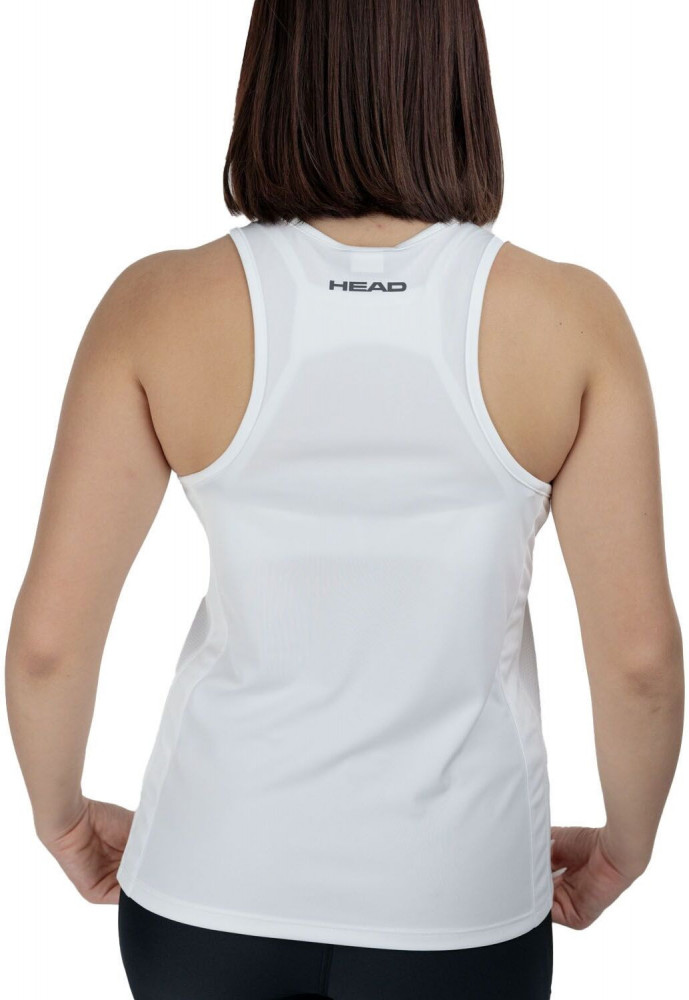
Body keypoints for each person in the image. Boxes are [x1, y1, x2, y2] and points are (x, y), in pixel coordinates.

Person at [5, 1, 684, 998]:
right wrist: (627, 841)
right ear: (455, 71)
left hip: (207, 885)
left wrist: (59, 814)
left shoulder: (157, 306)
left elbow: (47, 645)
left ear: (272, 66)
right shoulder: (570, 319)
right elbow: (638, 661)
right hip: (457, 906)